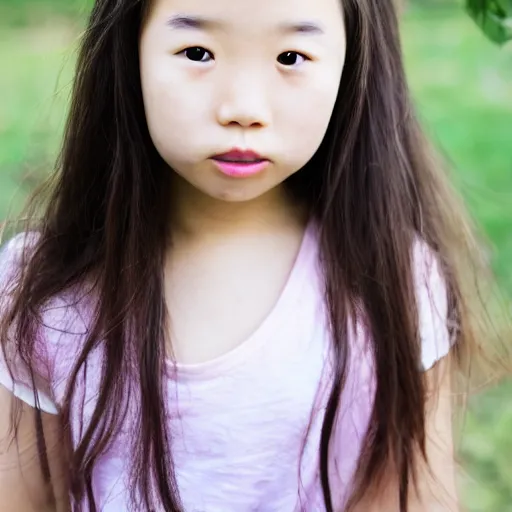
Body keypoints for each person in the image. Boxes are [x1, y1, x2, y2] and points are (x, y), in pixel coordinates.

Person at [0, 0, 506, 510]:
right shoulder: (46, 291)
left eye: (290, 56)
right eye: (197, 52)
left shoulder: (391, 281)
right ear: (129, 55)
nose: (243, 107)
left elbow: (414, 498)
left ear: (352, 65)